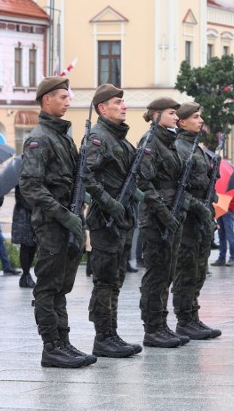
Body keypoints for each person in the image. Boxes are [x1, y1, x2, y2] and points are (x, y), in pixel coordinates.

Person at [19, 76, 96, 368]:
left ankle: (63, 341)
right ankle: (51, 346)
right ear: (46, 99)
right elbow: (30, 186)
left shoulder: (63, 136)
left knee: (62, 287)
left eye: (68, 97)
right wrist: (63, 214)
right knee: (48, 288)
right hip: (52, 224)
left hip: (70, 221)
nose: (68, 101)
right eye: (63, 97)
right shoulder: (40, 138)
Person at [83, 84, 142, 358]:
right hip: (106, 219)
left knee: (116, 278)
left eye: (123, 102)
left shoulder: (118, 139)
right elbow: (87, 176)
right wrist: (110, 204)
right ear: (102, 108)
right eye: (118, 102)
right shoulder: (98, 137)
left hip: (121, 218)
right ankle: (103, 336)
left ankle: (112, 334)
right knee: (105, 280)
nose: (124, 106)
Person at [136, 97, 186, 349]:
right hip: (155, 217)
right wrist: (164, 212)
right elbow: (144, 183)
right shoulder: (149, 142)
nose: (176, 117)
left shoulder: (169, 141)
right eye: (170, 113)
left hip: (170, 214)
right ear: (156, 115)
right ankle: (152, 327)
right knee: (156, 273)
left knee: (167, 272)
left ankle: (162, 324)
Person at [171, 102, 222, 341]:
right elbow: (179, 189)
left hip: (202, 217)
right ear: (182, 122)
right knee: (187, 270)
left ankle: (193, 316)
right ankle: (184, 319)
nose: (200, 121)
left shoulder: (196, 148)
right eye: (195, 117)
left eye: (200, 116)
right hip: (188, 220)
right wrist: (199, 208)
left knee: (199, 269)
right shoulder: (181, 148)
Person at [12, 184, 36, 287]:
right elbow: (22, 200)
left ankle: (26, 274)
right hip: (23, 217)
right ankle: (25, 274)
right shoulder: (21, 182)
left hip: (34, 216)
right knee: (26, 246)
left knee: (33, 246)